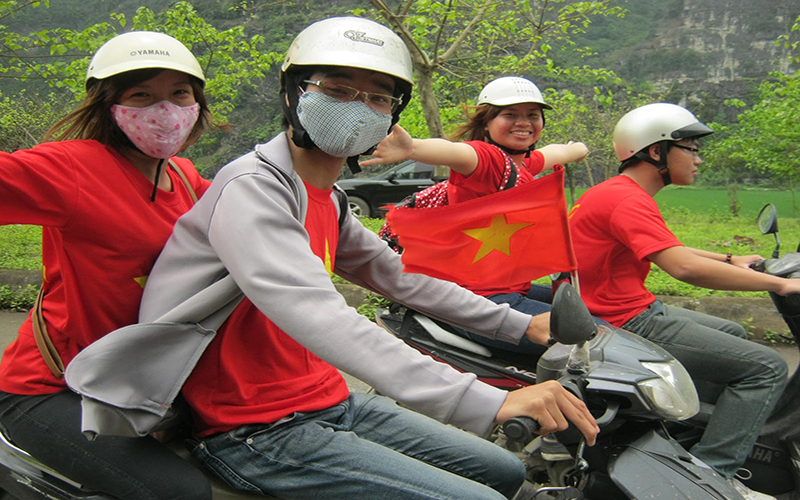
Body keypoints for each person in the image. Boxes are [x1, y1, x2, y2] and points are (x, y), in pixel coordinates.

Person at [65, 17, 599, 500]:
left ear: (394, 115)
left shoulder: (330, 199)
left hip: (327, 400)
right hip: (253, 427)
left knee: (502, 471)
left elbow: (402, 277)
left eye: (378, 98)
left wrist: (523, 326)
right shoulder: (254, 188)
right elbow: (317, 312)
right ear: (295, 94)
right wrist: (486, 400)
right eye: (337, 89)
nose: (357, 106)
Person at [0, 31, 215, 499]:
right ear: (108, 105)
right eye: (142, 95)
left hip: (137, 383)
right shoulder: (72, 168)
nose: (165, 110)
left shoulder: (184, 176)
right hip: (50, 388)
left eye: (179, 94)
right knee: (178, 493)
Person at [568, 102, 796, 500]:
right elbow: (683, 268)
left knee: (732, 331)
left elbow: (670, 248)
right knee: (767, 368)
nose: (698, 158)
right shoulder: (627, 199)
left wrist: (730, 259)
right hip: (621, 322)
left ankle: (689, 429)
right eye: (690, 148)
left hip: (620, 308)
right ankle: (710, 475)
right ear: (656, 151)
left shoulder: (618, 192)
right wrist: (778, 286)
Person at [362, 76, 590, 357]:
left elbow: (553, 153)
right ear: (486, 122)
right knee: (596, 342)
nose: (524, 123)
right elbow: (461, 153)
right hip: (482, 299)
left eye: (533, 115)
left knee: (591, 306)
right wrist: (413, 148)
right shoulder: (488, 161)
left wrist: (577, 149)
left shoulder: (521, 164)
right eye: (510, 115)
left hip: (506, 288)